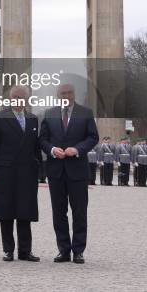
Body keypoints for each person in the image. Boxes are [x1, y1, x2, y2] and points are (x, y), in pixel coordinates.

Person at [39, 84, 99, 265]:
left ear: (74, 94)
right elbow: (42, 139)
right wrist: (52, 149)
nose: (67, 95)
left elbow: (93, 137)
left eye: (69, 92)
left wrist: (77, 149)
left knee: (79, 212)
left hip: (78, 171)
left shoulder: (86, 112)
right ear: (58, 95)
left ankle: (78, 251)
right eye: (63, 93)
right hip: (56, 171)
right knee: (59, 212)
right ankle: (63, 250)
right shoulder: (49, 114)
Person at [0, 85, 40, 262]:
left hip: (27, 172)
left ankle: (25, 251)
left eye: (21, 97)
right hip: (5, 171)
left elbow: (36, 148)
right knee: (6, 211)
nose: (18, 100)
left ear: (26, 99)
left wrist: (40, 171)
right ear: (9, 98)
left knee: (25, 211)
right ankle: (8, 249)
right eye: (15, 97)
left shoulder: (32, 119)